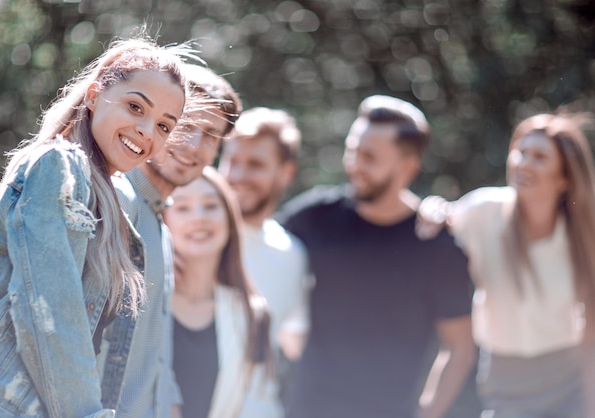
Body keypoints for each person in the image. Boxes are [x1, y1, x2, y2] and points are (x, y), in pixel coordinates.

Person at [0, 36, 188, 417]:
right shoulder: (58, 167)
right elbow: (50, 310)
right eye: (135, 107)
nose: (147, 132)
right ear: (93, 94)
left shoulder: (118, 201)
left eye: (164, 126)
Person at [276, 95, 476, 418]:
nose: (354, 164)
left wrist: (427, 413)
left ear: (407, 167)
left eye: (369, 156)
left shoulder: (435, 245)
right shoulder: (315, 217)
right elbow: (259, 251)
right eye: (352, 150)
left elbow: (459, 347)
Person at [417, 111, 595, 418]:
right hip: (504, 385)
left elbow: (591, 341)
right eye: (520, 152)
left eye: (539, 157)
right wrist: (430, 209)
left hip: (568, 386)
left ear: (564, 178)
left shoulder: (580, 237)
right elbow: (438, 222)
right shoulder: (481, 212)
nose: (523, 163)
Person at [97, 63, 242, 418]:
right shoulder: (112, 204)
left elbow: (150, 357)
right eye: (185, 126)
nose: (194, 145)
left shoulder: (161, 229)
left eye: (210, 135)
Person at [217, 107, 311, 418]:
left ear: (286, 173)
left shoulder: (292, 254)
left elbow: (294, 340)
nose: (238, 176)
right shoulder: (193, 231)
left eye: (255, 164)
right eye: (232, 161)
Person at [163, 166, 271, 418]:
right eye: (182, 208)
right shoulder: (139, 303)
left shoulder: (251, 315)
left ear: (229, 221)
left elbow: (256, 406)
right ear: (163, 220)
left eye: (211, 206)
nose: (199, 217)